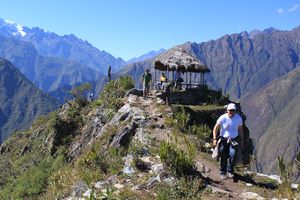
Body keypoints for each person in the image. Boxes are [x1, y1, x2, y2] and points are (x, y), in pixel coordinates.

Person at [212, 103, 243, 180]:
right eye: (230, 110)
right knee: (223, 154)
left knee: (233, 154)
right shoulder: (222, 118)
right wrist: (215, 139)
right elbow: (216, 128)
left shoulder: (238, 119)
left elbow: (240, 130)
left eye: (233, 110)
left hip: (234, 139)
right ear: (227, 110)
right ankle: (223, 172)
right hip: (224, 139)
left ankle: (230, 171)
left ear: (235, 111)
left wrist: (242, 139)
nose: (231, 112)